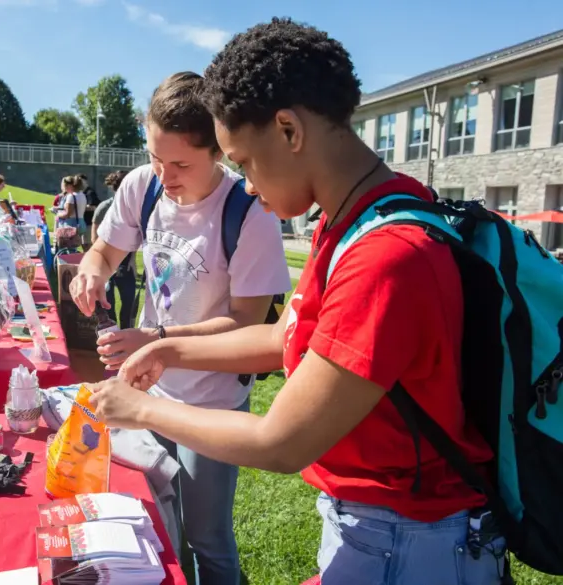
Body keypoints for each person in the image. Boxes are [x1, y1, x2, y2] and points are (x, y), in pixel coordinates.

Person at [88, 19, 505, 585]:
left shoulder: (385, 256)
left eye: (245, 162)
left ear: (288, 130)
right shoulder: (356, 220)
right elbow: (285, 337)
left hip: (407, 538)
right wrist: (170, 352)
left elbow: (281, 441)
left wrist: (141, 410)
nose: (250, 186)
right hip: (377, 527)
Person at [69, 71, 290, 585]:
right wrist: (92, 270)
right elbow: (105, 250)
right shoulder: (142, 186)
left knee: (206, 537)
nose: (164, 176)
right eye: (154, 158)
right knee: (160, 528)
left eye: (181, 164)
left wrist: (157, 342)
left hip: (210, 402)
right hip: (147, 388)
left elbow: (246, 324)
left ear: (218, 151)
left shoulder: (247, 214)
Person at [92, 170, 135, 328]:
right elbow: (95, 239)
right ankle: (114, 332)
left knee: (127, 303)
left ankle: (125, 332)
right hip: (108, 265)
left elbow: (134, 238)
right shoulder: (105, 207)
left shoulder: (132, 208)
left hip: (125, 265)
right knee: (109, 302)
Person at [78, 173, 101, 251]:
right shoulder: (81, 193)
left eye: (81, 181)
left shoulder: (90, 193)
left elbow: (93, 207)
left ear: (85, 181)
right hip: (83, 222)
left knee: (87, 245)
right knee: (83, 244)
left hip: (89, 223)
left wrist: (80, 208)